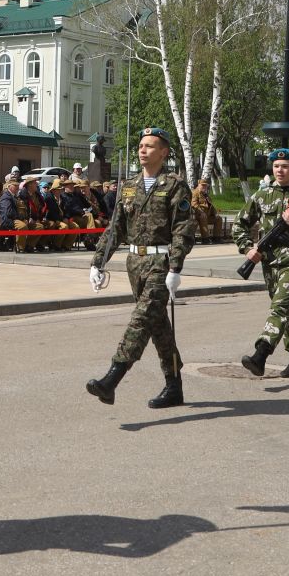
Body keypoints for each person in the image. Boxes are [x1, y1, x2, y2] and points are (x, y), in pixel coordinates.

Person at [85, 127, 196, 410]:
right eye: (141, 145)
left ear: (164, 152)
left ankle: (112, 379)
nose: (142, 150)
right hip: (135, 264)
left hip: (160, 263)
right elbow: (116, 229)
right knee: (158, 327)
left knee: (141, 319)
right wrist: (98, 262)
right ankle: (174, 388)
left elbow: (183, 229)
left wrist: (176, 267)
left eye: (150, 146)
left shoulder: (174, 185)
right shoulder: (130, 186)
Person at [234, 148, 289, 378]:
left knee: (280, 306)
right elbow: (239, 224)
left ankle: (261, 353)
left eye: (285, 166)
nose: (280, 170)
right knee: (287, 310)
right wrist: (248, 249)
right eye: (276, 166)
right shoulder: (261, 196)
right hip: (269, 261)